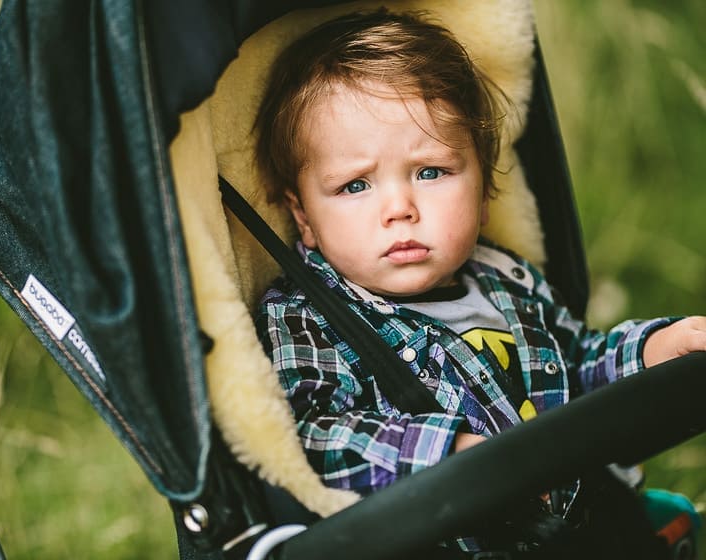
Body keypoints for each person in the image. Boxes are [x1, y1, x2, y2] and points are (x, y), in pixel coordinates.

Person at [253, 9, 705, 557]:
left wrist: (654, 349)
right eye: (354, 186)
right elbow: (312, 437)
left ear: (485, 188)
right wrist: (449, 454)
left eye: (430, 172)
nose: (400, 208)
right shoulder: (309, 317)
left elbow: (576, 365)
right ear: (303, 217)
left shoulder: (505, 280)